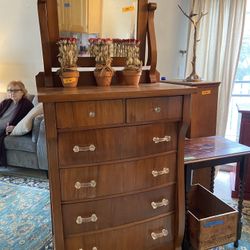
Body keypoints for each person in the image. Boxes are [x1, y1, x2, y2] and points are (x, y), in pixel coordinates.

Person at [0, 81, 34, 165]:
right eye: (10, 90)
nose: (12, 93)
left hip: (4, 129)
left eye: (15, 90)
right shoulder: (5, 102)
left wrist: (14, 127)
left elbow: (27, 123)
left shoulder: (27, 105)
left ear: (22, 91)